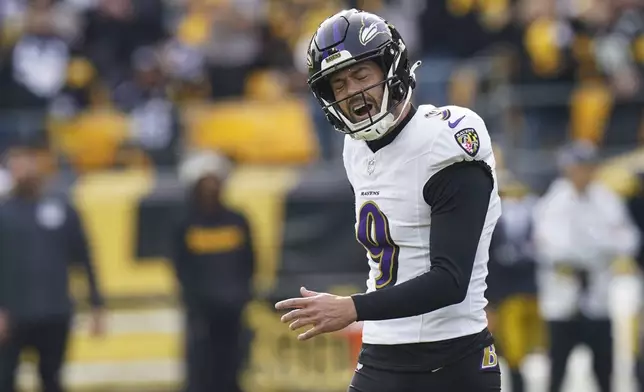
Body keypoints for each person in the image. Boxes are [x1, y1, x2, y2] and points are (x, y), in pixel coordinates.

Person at [275, 9, 502, 392]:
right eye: (339, 85)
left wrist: (352, 308)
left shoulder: (444, 140)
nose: (352, 93)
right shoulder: (355, 149)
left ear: (390, 69)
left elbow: (450, 279)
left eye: (361, 75)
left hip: (452, 361)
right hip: (381, 356)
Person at [533, 141, 639, 392]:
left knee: (604, 369)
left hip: (598, 297)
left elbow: (629, 240)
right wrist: (600, 247)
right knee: (557, 368)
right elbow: (551, 248)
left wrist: (592, 249)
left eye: (589, 166)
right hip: (563, 296)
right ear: (568, 169)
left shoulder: (606, 199)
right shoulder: (554, 201)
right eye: (579, 166)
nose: (584, 172)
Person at [0, 143, 105, 392]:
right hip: (13, 315)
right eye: (17, 163)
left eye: (28, 161)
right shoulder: (4, 213)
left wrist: (97, 303)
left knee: (52, 377)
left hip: (55, 311)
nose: (24, 169)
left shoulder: (62, 208)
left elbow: (84, 256)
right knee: (5, 378)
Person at [172, 151, 255, 392]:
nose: (210, 188)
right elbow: (181, 267)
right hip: (200, 314)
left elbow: (249, 262)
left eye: (214, 181)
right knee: (200, 370)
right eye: (204, 182)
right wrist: (192, 302)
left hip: (232, 310)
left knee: (232, 368)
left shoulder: (237, 220)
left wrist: (242, 295)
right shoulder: (185, 224)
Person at [486, 172, 543, 392]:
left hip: (518, 293)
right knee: (495, 349)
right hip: (496, 294)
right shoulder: (491, 221)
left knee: (516, 351)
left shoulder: (533, 216)